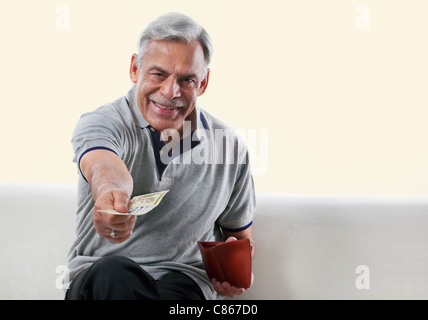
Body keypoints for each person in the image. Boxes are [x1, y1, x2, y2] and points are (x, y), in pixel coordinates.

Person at [64, 12, 255, 300]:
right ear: (134, 68)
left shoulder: (229, 148)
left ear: (203, 83)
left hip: (182, 280)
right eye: (158, 74)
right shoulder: (102, 122)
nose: (170, 91)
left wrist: (239, 271)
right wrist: (110, 195)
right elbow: (103, 165)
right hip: (102, 278)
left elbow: (240, 239)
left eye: (187, 79)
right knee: (115, 273)